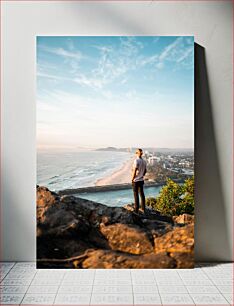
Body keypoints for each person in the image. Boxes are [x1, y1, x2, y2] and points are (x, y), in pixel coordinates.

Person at [131, 148, 147, 214]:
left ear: (137, 153)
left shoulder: (136, 160)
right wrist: (142, 175)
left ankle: (136, 209)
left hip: (136, 180)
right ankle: (143, 208)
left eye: (136, 152)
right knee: (142, 194)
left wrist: (132, 179)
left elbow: (134, 170)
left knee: (136, 195)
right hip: (141, 180)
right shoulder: (144, 161)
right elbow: (145, 170)